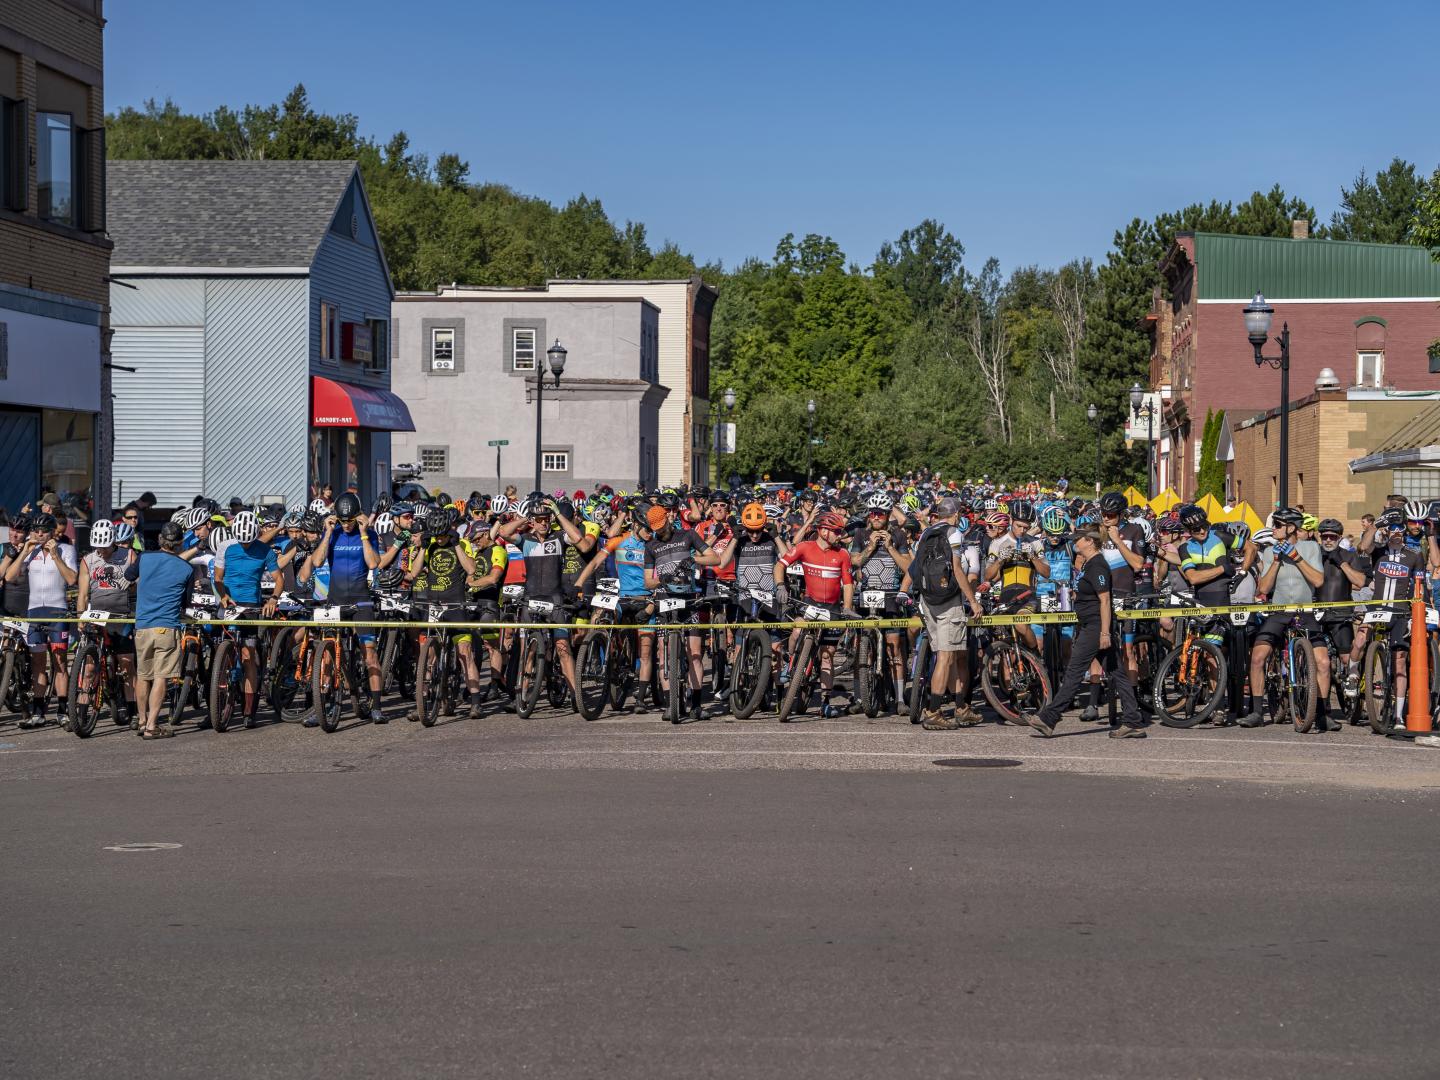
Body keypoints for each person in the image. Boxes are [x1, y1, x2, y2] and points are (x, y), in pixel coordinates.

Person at [1027, 526, 1146, 739]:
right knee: (1117, 673)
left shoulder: (1097, 565)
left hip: (1096, 626)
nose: (1075, 542)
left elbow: (1105, 600)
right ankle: (1133, 721)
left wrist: (1104, 633)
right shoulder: (1090, 564)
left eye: (1078, 539)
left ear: (1090, 542)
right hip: (1093, 624)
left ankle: (1049, 718)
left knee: (1074, 671)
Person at [899, 497, 982, 729]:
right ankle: (934, 711)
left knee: (950, 655)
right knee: (945, 657)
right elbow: (956, 569)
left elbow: (915, 567)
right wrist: (973, 601)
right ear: (956, 514)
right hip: (948, 602)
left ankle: (961, 708)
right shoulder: (954, 533)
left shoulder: (928, 533)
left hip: (928, 600)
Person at [1242, 507, 1324, 729]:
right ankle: (1257, 711)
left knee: (1323, 661)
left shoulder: (1311, 547)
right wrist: (1277, 561)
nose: (1273, 529)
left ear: (1291, 528)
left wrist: (1296, 558)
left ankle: (1323, 714)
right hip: (1279, 610)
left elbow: (1318, 581)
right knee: (1258, 657)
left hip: (1304, 610)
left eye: (1277, 525)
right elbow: (1264, 588)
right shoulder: (1269, 552)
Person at [4, 512, 78, 727]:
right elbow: (9, 577)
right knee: (38, 663)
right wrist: (25, 551)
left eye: (43, 531)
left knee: (60, 661)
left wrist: (55, 556)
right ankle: (38, 711)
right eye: (35, 530)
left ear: (53, 531)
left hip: (58, 612)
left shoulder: (66, 549)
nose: (39, 534)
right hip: (35, 612)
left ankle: (63, 710)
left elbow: (72, 579)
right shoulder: (30, 549)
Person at [124, 521, 195, 739]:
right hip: (167, 626)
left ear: (161, 540)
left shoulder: (145, 557)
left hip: (142, 626)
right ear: (181, 543)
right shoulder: (186, 568)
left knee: (143, 676)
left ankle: (142, 719)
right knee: (161, 677)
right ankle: (152, 726)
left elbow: (128, 576)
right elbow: (185, 603)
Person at [76, 519, 139, 726]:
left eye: (104, 547)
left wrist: (131, 583)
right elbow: (83, 594)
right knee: (89, 668)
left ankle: (133, 709)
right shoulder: (88, 560)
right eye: (97, 547)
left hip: (121, 615)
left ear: (113, 542)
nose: (100, 551)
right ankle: (82, 710)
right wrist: (80, 617)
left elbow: (140, 581)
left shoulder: (128, 555)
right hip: (97, 615)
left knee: (127, 664)